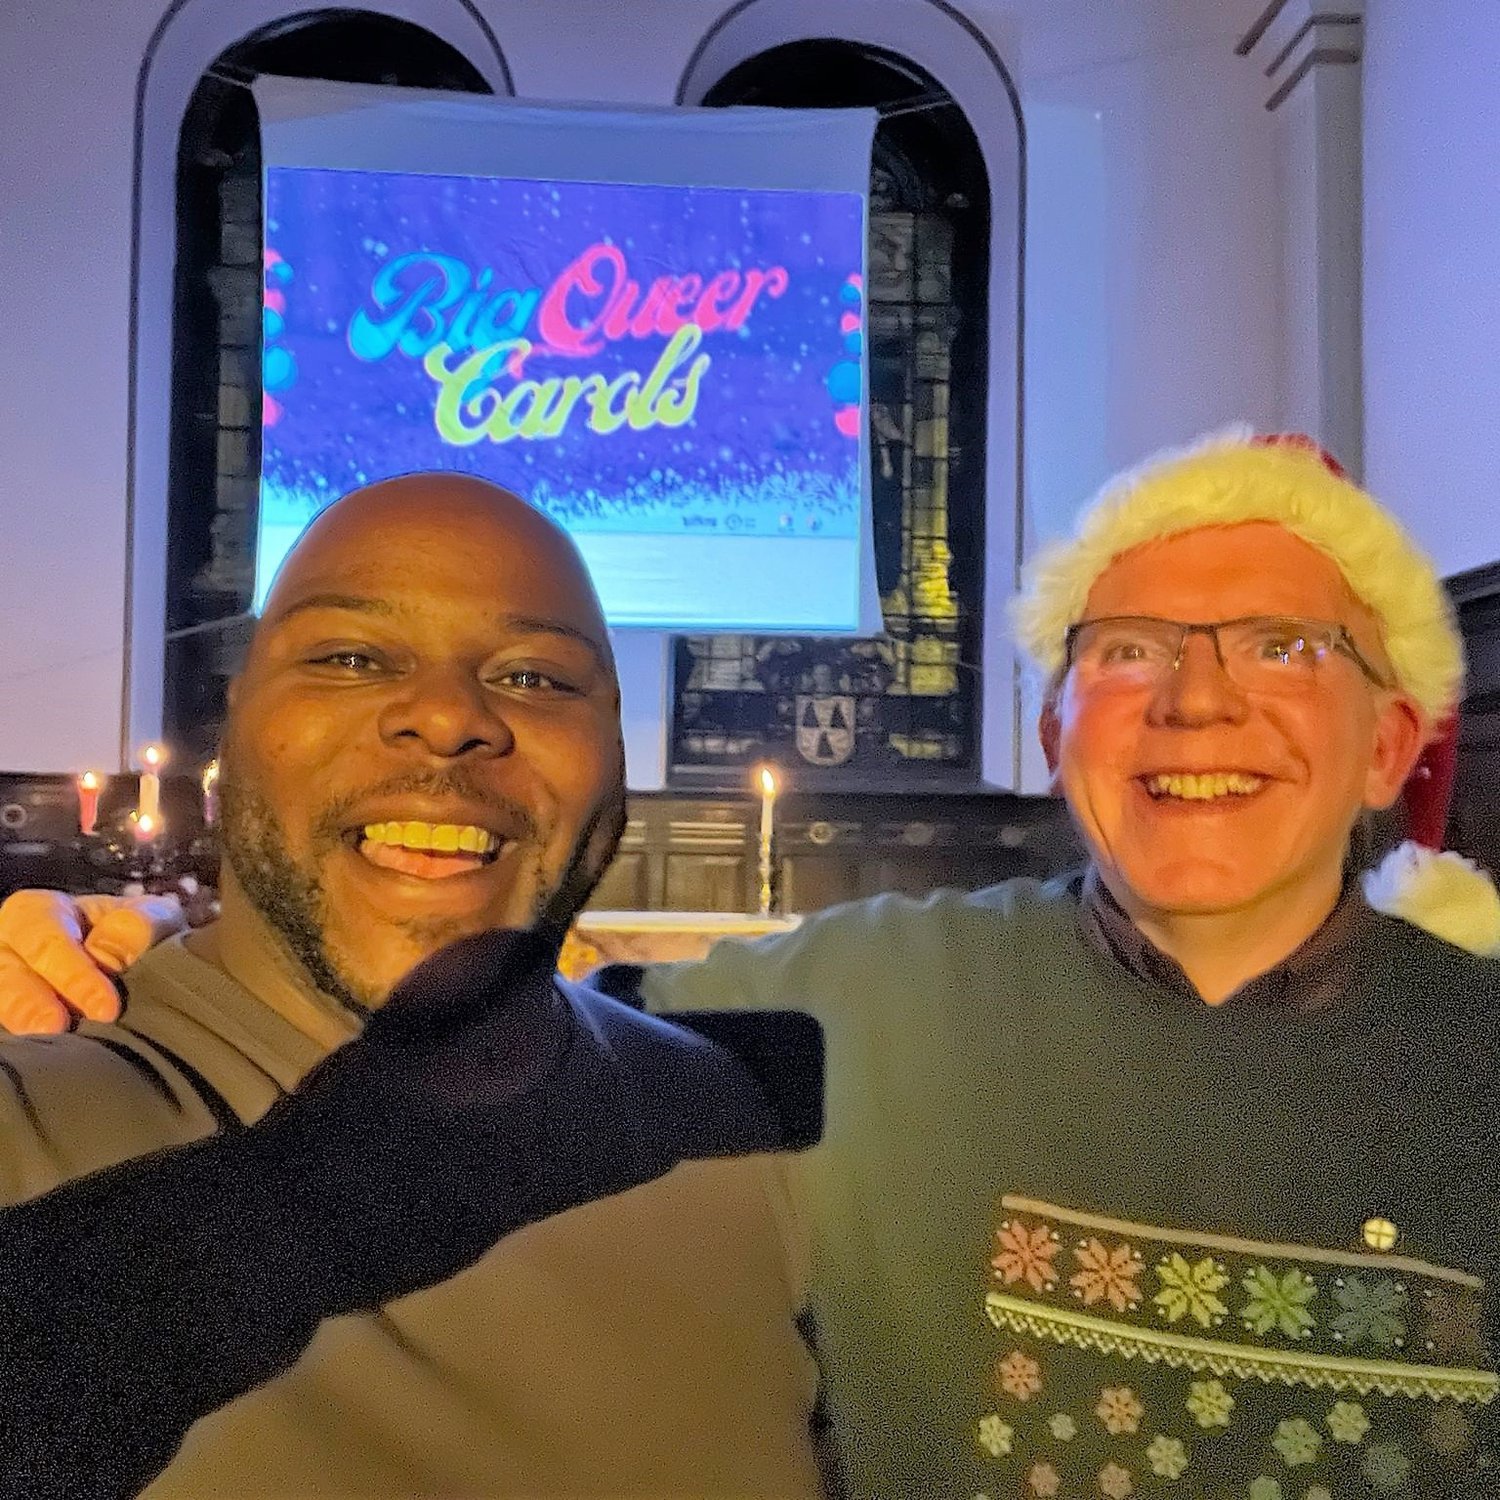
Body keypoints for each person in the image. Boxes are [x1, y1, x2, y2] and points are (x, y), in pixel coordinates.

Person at [8, 431, 1500, 1496]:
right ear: (1056, 732)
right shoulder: (838, 1017)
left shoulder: (1477, 1057)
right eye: (1127, 650)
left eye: (1286, 648)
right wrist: (79, 953)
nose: (1197, 703)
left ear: (1394, 741)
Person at [0, 474, 830, 1498]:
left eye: (534, 676)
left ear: (617, 752)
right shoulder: (29, 1122)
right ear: (235, 727)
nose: (446, 718)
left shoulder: (731, 1125)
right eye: (350, 658)